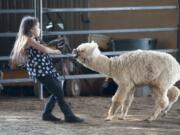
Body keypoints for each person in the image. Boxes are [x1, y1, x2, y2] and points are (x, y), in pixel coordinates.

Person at [10, 16, 83, 123]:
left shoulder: (33, 39)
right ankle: (69, 115)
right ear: (31, 29)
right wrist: (56, 51)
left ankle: (47, 114)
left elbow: (44, 48)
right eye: (38, 27)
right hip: (41, 71)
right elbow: (44, 49)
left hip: (45, 69)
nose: (40, 29)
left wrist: (54, 47)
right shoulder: (29, 40)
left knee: (57, 90)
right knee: (58, 91)